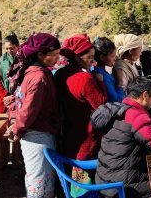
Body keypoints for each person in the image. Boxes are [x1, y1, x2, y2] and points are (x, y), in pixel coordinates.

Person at [5, 33, 61, 198]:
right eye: (55, 55)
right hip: (38, 136)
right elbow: (29, 110)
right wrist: (16, 129)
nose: (57, 59)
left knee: (34, 176)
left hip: (33, 134)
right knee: (39, 179)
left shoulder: (31, 72)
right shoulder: (39, 77)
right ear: (41, 55)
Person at [54, 34, 107, 196]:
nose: (93, 61)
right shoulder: (84, 78)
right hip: (86, 138)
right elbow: (102, 105)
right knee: (84, 185)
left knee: (70, 177)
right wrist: (100, 81)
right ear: (77, 57)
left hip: (68, 134)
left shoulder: (60, 74)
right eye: (89, 57)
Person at [0, 33, 19, 167]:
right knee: (1, 128)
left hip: (18, 98)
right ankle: (0, 160)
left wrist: (14, 96)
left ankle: (17, 160)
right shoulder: (1, 60)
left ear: (18, 47)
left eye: (12, 48)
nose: (9, 51)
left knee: (17, 127)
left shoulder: (22, 60)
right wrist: (5, 95)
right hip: (3, 99)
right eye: (7, 48)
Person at [92, 37, 124, 102]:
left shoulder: (97, 70)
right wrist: (120, 84)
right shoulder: (103, 77)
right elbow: (117, 100)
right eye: (112, 56)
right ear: (102, 57)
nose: (115, 58)